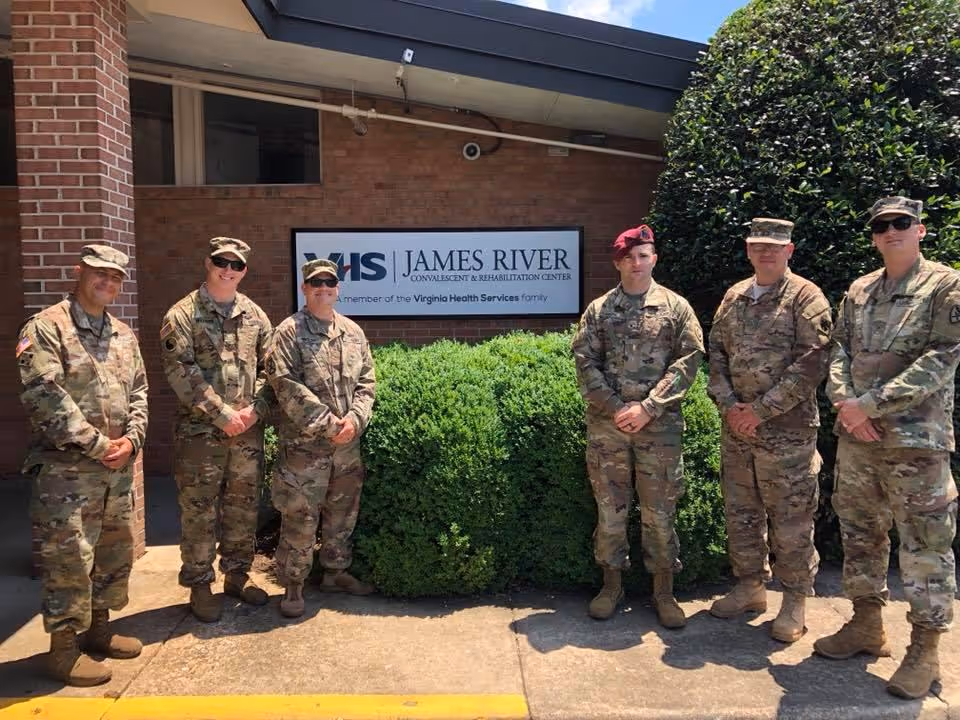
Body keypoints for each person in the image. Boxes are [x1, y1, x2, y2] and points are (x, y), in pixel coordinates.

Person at [813, 196, 960, 700]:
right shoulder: (859, 290)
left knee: (924, 544)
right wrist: (845, 403)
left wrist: (870, 404)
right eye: (882, 226)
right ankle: (866, 624)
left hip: (915, 441)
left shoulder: (945, 285)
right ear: (874, 236)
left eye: (902, 223)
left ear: (920, 229)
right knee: (860, 531)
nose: (891, 231)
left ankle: (925, 648)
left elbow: (944, 355)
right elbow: (840, 351)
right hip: (859, 438)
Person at [16, 245, 148, 686]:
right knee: (70, 560)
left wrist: (132, 440)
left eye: (115, 277)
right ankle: (63, 651)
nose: (107, 283)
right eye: (99, 274)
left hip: (115, 470)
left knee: (112, 553)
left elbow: (141, 393)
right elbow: (44, 395)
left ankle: (98, 630)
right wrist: (98, 444)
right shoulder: (46, 328)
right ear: (79, 272)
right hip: (67, 472)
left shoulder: (124, 335)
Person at [571, 225, 704, 629]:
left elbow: (689, 361)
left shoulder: (676, 308)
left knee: (659, 512)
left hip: (658, 428)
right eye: (629, 256)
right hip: (608, 428)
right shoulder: (598, 310)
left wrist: (648, 407)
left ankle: (664, 591)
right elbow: (584, 363)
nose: (636, 261)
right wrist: (615, 407)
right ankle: (611, 586)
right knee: (611, 510)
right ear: (617, 262)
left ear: (654, 259)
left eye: (643, 254)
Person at [707, 218, 832, 642]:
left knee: (791, 517)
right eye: (758, 246)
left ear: (789, 251)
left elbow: (812, 364)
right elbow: (717, 355)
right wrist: (729, 406)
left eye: (774, 247)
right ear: (747, 249)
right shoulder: (734, 296)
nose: (766, 253)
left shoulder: (805, 297)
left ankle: (794, 599)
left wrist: (759, 411)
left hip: (788, 434)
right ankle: (750, 587)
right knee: (742, 514)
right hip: (738, 430)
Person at [160, 237, 273, 622]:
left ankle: (237, 574)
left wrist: (255, 409)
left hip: (247, 433)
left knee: (243, 506)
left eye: (237, 265)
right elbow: (181, 371)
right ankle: (199, 583)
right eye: (221, 261)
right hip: (200, 435)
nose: (228, 269)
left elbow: (269, 370)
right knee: (199, 509)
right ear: (207, 262)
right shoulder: (182, 315)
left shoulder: (255, 315)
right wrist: (222, 413)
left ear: (244, 270)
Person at [266, 258, 377, 618]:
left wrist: (355, 421)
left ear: (338, 288)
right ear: (304, 288)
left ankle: (335, 572)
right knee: (300, 515)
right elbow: (286, 387)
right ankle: (293, 584)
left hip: (347, 447)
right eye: (316, 283)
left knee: (342, 513)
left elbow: (367, 382)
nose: (324, 288)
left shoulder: (352, 332)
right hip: (305, 450)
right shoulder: (288, 332)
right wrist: (331, 424)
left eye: (330, 283)